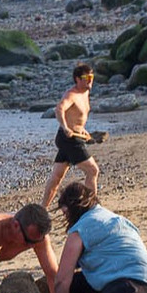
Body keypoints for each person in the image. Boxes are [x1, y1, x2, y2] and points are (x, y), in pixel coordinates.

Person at [51, 183, 147, 293]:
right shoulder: (110, 217)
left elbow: (61, 281)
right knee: (75, 284)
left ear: (73, 209)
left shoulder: (80, 228)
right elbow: (69, 280)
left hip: (133, 284)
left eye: (65, 213)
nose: (65, 218)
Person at [42, 65, 99, 207]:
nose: (90, 82)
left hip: (75, 137)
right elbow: (59, 109)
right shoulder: (71, 94)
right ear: (77, 79)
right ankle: (91, 207)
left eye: (92, 78)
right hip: (69, 139)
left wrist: (82, 130)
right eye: (86, 78)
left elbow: (78, 117)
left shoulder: (85, 93)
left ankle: (42, 209)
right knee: (93, 170)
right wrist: (65, 126)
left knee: (56, 177)